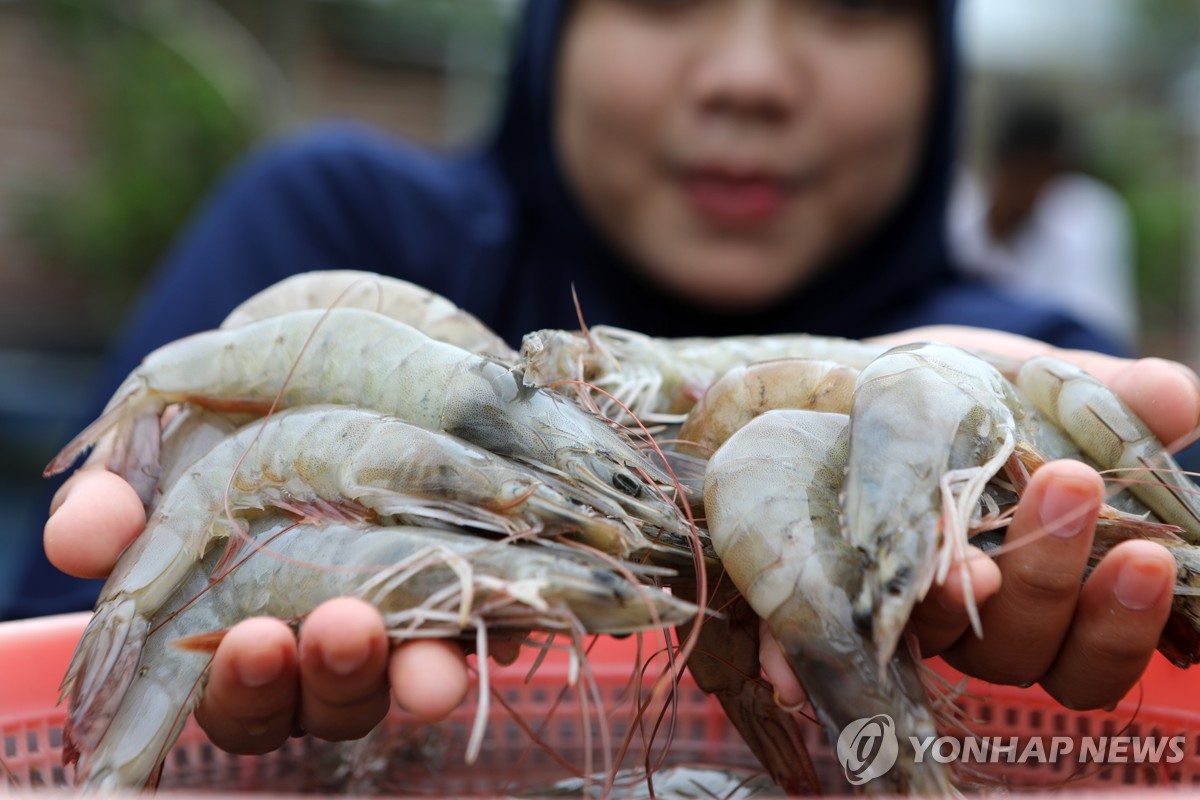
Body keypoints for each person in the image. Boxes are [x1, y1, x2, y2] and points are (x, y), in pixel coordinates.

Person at [25, 0, 1197, 761]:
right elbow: (65, 606)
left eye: (846, 6)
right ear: (552, 33)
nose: (750, 76)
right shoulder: (330, 220)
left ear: (935, 65)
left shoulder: (1022, 343)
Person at [949, 96, 1140, 349]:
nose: (1026, 187)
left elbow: (1100, 329)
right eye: (1018, 172)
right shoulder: (960, 213)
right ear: (999, 167)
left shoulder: (1086, 215)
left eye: (1038, 174)